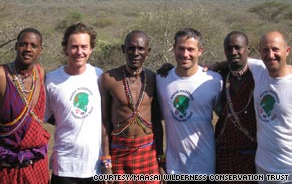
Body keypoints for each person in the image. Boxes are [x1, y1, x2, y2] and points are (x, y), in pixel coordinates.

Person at [156, 28, 222, 183]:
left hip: (205, 166)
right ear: (174, 48)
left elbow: (225, 118)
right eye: (181, 48)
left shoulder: (214, 80)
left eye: (191, 49)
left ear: (200, 51)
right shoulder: (161, 79)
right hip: (173, 167)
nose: (185, 54)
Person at [99, 30, 165, 184]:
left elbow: (156, 122)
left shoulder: (154, 78)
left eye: (141, 49)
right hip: (119, 151)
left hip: (147, 150)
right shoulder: (108, 79)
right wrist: (107, 164)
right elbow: (105, 123)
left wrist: (161, 161)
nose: (135, 53)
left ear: (148, 52)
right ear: (124, 49)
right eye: (131, 48)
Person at [45, 22, 103, 184]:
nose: (79, 52)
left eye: (84, 47)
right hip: (64, 166)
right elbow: (45, 116)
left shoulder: (99, 76)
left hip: (95, 166)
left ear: (91, 49)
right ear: (65, 48)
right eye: (74, 46)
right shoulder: (51, 80)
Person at [0, 28, 50, 184]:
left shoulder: (40, 73)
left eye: (33, 46)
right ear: (16, 46)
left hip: (36, 164)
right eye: (23, 44)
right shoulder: (2, 75)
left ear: (40, 50)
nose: (28, 49)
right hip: (7, 166)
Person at [247, 31, 292, 183]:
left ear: (287, 51)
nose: (270, 54)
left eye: (275, 49)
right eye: (265, 50)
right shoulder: (259, 70)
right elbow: (238, 58)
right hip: (262, 166)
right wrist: (214, 65)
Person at [215, 31, 257, 183]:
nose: (233, 52)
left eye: (237, 47)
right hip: (225, 155)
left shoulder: (260, 74)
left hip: (253, 156)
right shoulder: (219, 76)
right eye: (229, 48)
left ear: (248, 49)